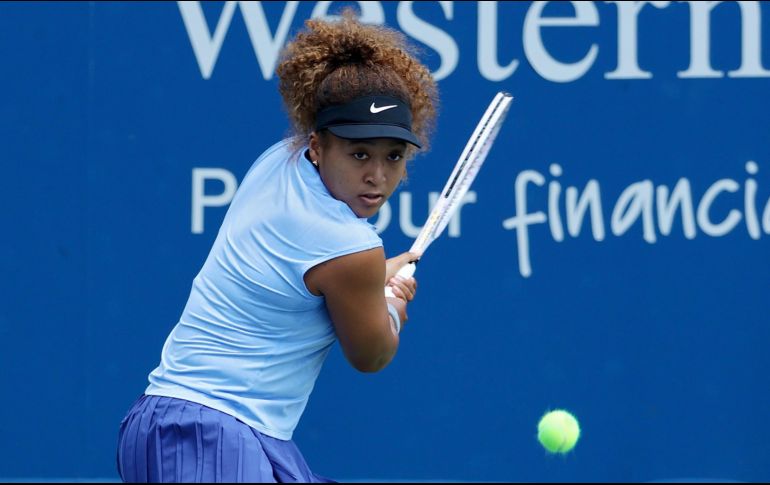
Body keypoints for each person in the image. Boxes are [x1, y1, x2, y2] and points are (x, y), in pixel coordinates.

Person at [116, 10, 438, 483]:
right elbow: (371, 355)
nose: (377, 175)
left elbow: (309, 276)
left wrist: (376, 276)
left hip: (161, 424)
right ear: (317, 145)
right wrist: (390, 305)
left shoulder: (277, 163)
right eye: (358, 153)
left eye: (393, 156)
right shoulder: (350, 249)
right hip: (211, 435)